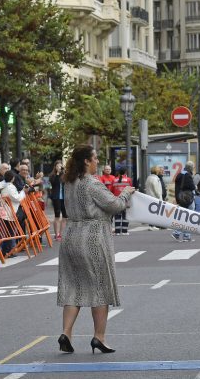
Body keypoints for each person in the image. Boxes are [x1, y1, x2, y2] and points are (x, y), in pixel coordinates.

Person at [57, 145, 135, 354]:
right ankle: (99, 337)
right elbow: (115, 205)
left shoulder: (69, 182)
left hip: (71, 235)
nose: (97, 162)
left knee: (73, 287)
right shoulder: (92, 184)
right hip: (91, 237)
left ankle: (66, 332)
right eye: (95, 158)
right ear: (86, 161)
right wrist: (126, 193)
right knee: (100, 287)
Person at [172, 161, 196, 242]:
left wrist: (177, 198)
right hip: (187, 198)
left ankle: (186, 235)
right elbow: (192, 186)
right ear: (191, 168)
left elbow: (177, 187)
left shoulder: (180, 174)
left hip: (181, 197)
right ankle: (177, 232)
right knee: (188, 217)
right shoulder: (188, 175)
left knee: (185, 216)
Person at [49, 160, 68, 241]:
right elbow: (54, 183)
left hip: (64, 198)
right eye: (58, 166)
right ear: (55, 167)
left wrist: (64, 172)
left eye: (60, 166)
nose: (59, 167)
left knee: (65, 216)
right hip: (56, 198)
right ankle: (56, 234)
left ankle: (61, 233)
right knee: (57, 216)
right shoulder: (52, 175)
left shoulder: (65, 175)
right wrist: (57, 173)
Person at [111, 167, 132, 235]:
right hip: (126, 200)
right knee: (125, 216)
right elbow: (130, 190)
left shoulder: (114, 180)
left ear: (118, 173)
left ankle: (117, 231)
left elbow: (112, 190)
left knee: (117, 216)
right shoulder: (128, 180)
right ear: (125, 172)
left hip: (117, 200)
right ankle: (124, 231)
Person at [144, 166, 163, 230]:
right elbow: (156, 189)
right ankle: (153, 225)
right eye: (158, 170)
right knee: (155, 212)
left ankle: (151, 225)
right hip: (155, 197)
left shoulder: (148, 178)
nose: (159, 171)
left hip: (149, 197)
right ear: (156, 171)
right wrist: (159, 196)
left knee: (151, 212)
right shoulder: (155, 179)